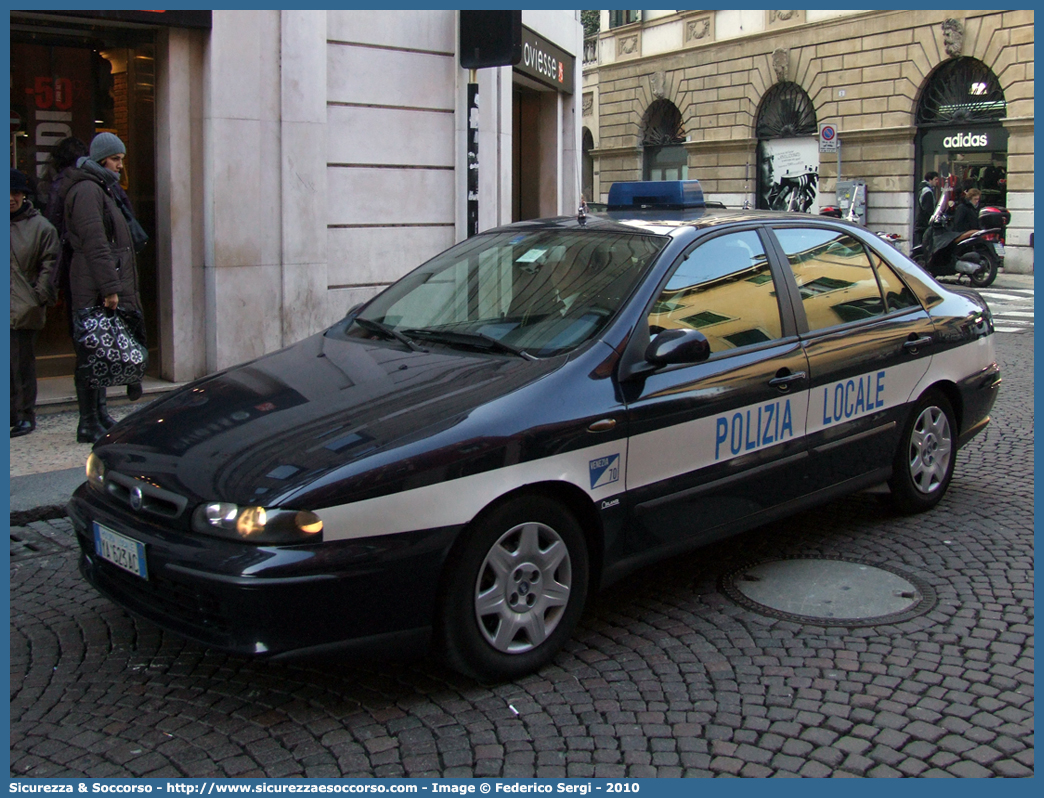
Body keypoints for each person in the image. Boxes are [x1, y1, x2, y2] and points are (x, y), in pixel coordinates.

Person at [59, 132, 145, 443]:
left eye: (121, 159)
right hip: (92, 286)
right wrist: (110, 288)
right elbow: (96, 244)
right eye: (116, 159)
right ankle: (88, 421)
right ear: (101, 160)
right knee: (91, 351)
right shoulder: (87, 191)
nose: (121, 165)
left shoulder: (100, 187)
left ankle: (99, 412)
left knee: (102, 349)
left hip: (96, 283)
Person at [10, 169, 59, 437]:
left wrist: (37, 296)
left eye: (15, 193)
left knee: (21, 365)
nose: (10, 199)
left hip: (22, 306)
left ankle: (24, 415)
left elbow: (50, 265)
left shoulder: (41, 228)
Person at [914, 171, 942, 245]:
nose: (937, 181)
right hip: (924, 225)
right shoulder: (927, 191)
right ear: (930, 180)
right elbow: (928, 209)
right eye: (935, 179)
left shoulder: (924, 189)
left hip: (922, 224)